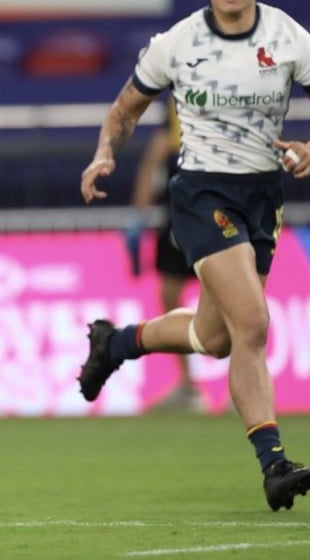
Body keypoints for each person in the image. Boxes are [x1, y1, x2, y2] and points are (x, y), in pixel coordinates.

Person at [78, 0, 310, 512]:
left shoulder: (288, 37)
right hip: (202, 194)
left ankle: (116, 343)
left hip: (263, 197)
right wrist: (104, 153)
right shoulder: (177, 43)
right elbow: (124, 111)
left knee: (216, 338)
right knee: (253, 323)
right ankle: (274, 464)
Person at [124, 98, 206, 414]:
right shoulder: (179, 100)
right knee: (172, 295)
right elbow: (158, 151)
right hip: (183, 214)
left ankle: (235, 385)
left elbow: (156, 152)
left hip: (206, 210)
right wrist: (140, 214)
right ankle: (189, 386)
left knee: (226, 299)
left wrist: (138, 213)